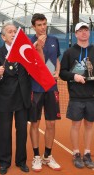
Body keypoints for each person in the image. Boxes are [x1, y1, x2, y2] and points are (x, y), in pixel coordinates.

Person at [0, 23, 31, 174]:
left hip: (22, 97)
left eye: (15, 31)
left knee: (22, 132)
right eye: (10, 32)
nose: (13, 34)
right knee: (5, 131)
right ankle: (4, 162)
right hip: (6, 98)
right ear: (3, 36)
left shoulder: (24, 51)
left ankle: (21, 161)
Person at [28, 13, 61, 172]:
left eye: (44, 24)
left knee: (51, 123)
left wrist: (58, 72)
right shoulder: (29, 42)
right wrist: (38, 46)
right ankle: (36, 156)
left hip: (51, 87)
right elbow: (37, 64)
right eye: (39, 25)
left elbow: (56, 59)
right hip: (35, 88)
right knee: (35, 123)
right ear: (33, 27)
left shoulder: (54, 40)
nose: (42, 27)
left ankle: (47, 155)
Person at [60, 22, 94, 169]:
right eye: (81, 30)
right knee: (76, 125)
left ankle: (87, 153)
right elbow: (62, 73)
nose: (84, 33)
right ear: (76, 34)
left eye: (86, 30)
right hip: (75, 96)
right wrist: (74, 76)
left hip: (92, 95)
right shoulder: (69, 52)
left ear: (89, 33)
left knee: (89, 125)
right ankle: (76, 153)